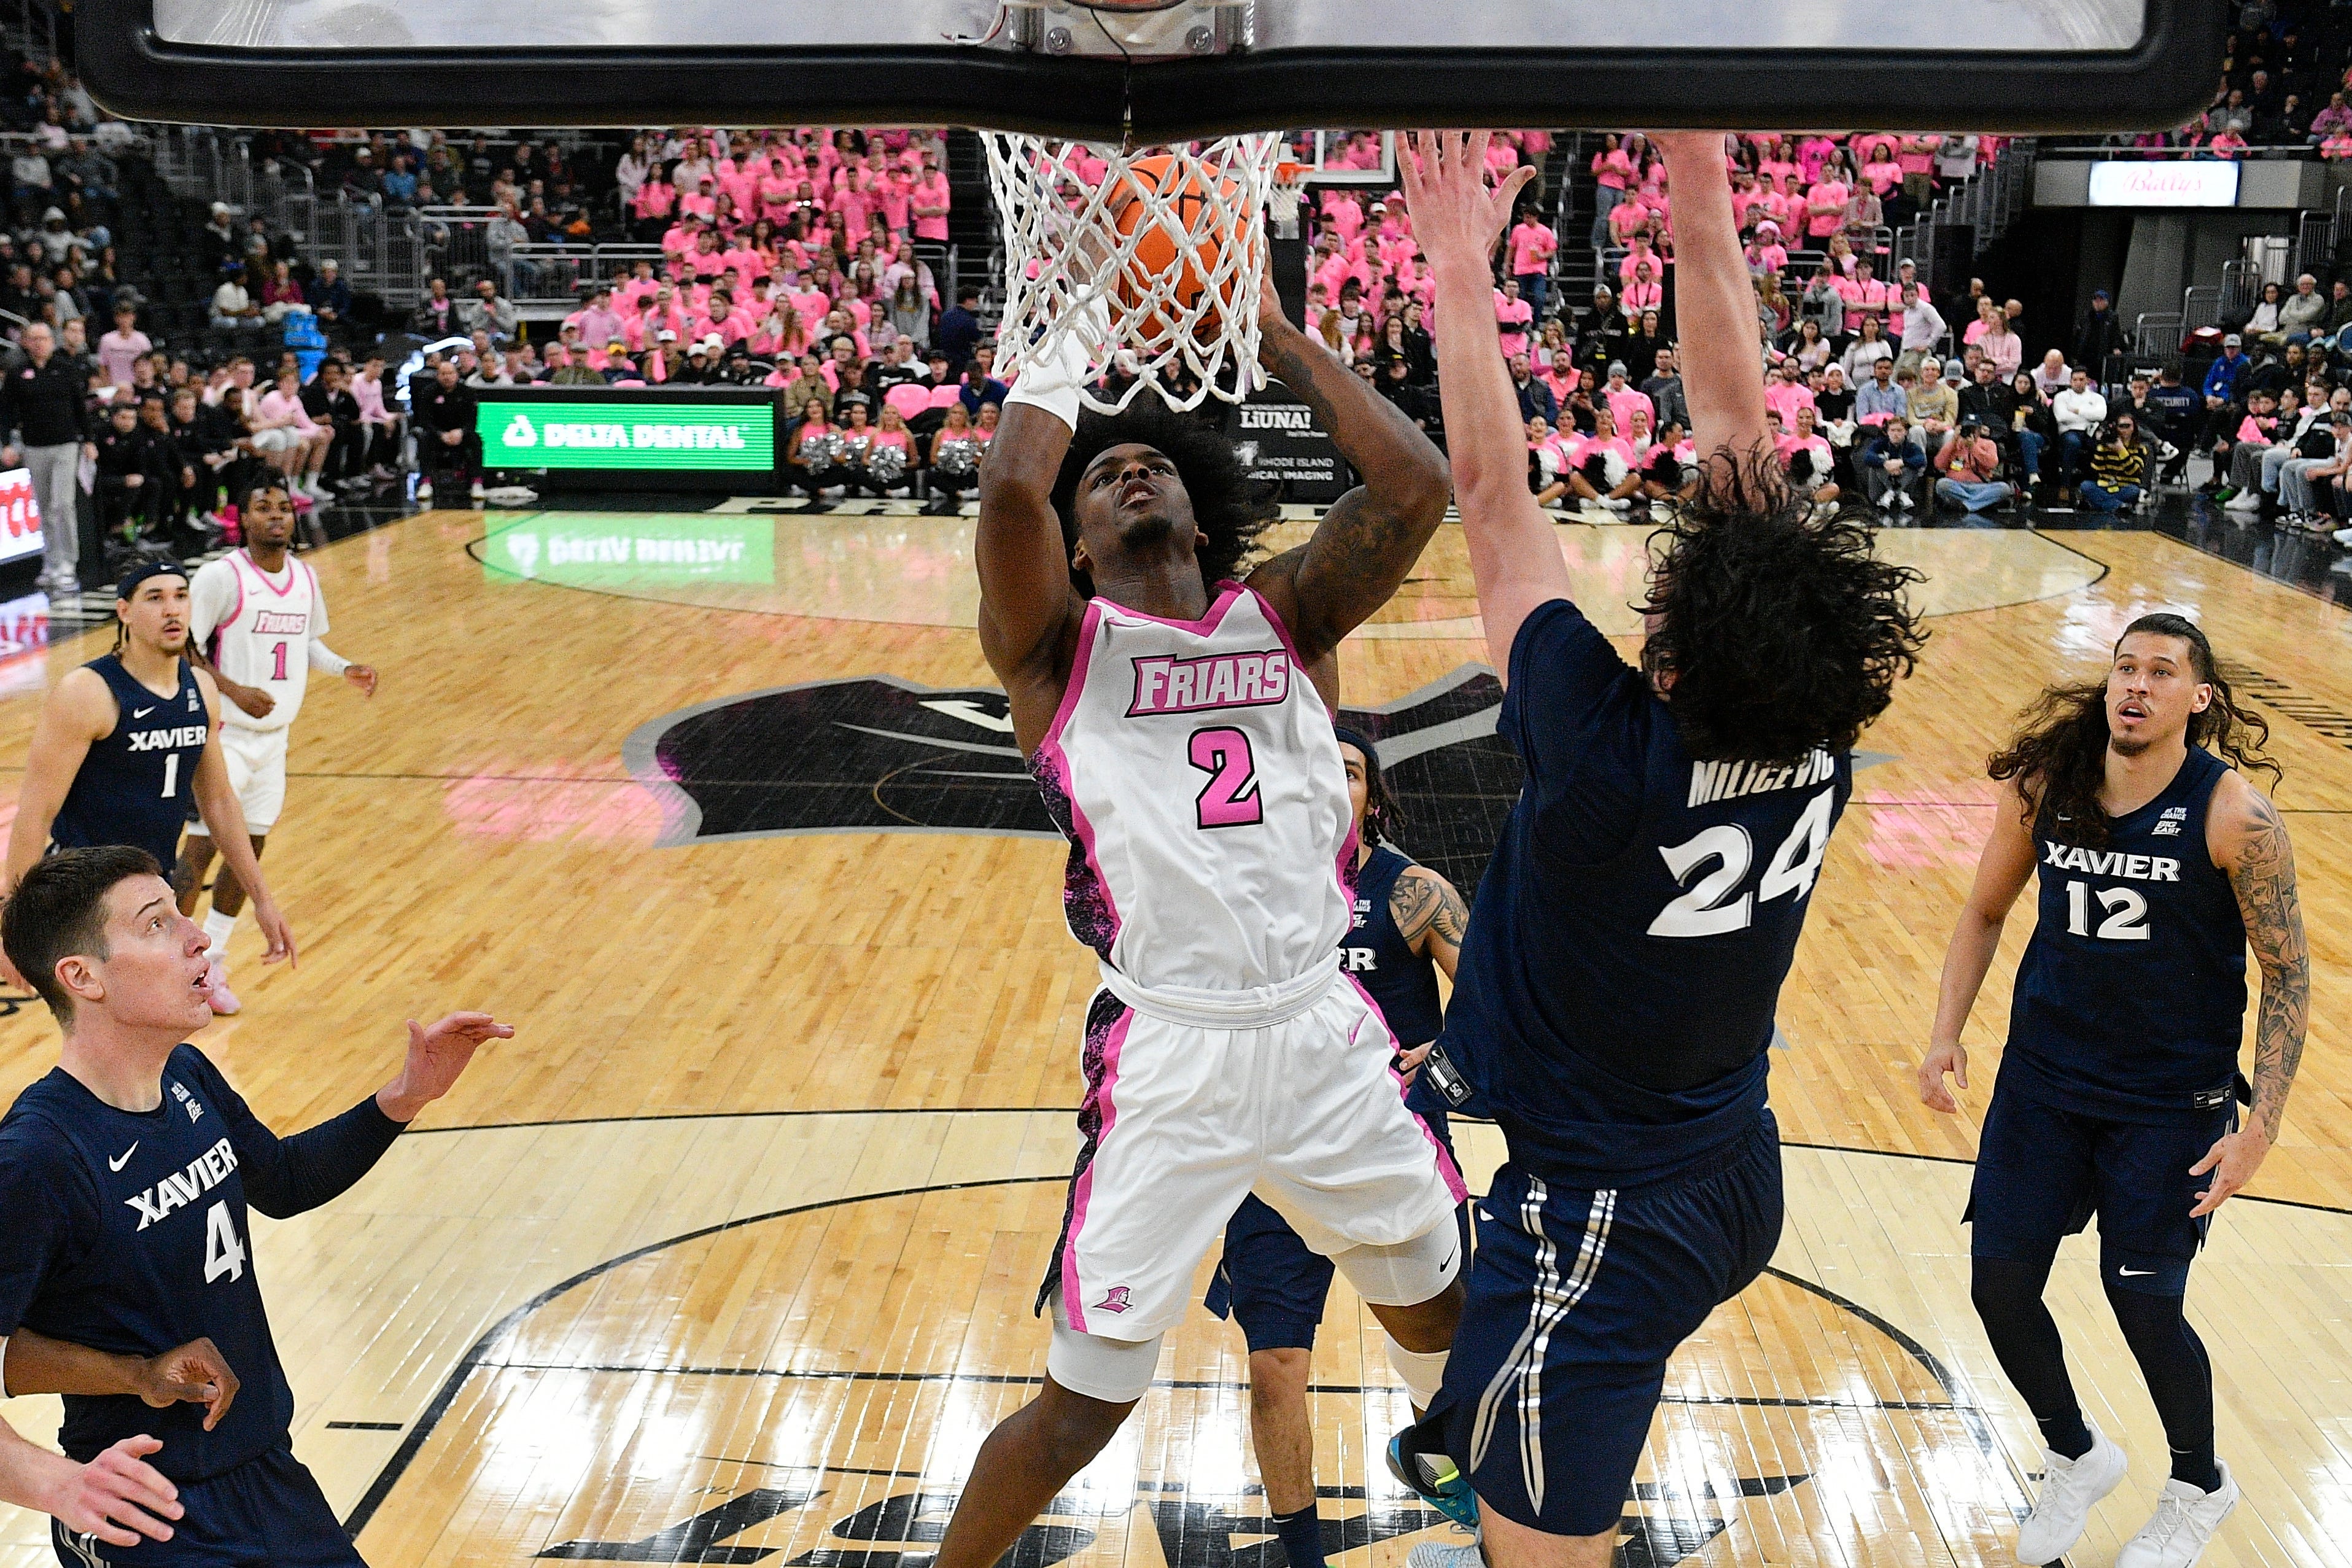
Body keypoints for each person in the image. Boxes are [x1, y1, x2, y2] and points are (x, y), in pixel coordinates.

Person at [1394, 129, 1924, 1562]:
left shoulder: (1613, 762)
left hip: (1608, 1210)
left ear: (1677, 648)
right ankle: (1474, 1430)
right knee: (1489, 1443)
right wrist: (1695, 170)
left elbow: (1505, 505)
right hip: (1725, 1157)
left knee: (1535, 1544)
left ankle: (1498, 1468)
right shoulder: (1814, 729)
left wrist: (1456, 264)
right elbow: (1735, 420)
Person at [933, 228, 1463, 1568]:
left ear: (1201, 505)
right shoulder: (1056, 653)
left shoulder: (1284, 615)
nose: (1127, 470)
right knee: (1079, 1407)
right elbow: (1007, 500)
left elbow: (1413, 483)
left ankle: (1460, 1486)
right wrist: (1065, 331)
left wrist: (1275, 331)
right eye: (1102, 474)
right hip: (1167, 1050)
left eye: (1151, 459)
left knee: (1443, 1304)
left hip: (1321, 1025)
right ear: (1075, 539)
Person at [0, 843, 511, 1568]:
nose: (197, 935)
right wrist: (58, 1485)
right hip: (148, 1511)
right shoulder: (38, 1157)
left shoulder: (185, 1072)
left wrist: (403, 1099)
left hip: (268, 1478)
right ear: (83, 978)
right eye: (155, 925)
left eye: (181, 913)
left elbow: (282, 1180)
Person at [1920, 615, 2305, 1568]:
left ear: (2197, 698)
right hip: (2042, 1082)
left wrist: (2257, 1128)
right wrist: (1941, 1035)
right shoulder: (2048, 784)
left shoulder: (2232, 816)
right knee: (1998, 1286)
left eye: (2160, 672)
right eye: (2123, 668)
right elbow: (1980, 910)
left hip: (2164, 1101)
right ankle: (2074, 1452)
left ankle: (2197, 1482)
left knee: (2140, 1301)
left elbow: (2287, 974)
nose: (2134, 685)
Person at [1203, 731, 1472, 1568]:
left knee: (1446, 1343)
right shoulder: (1249, 888)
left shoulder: (1411, 892)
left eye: (1350, 771)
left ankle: (1457, 1479)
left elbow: (1495, 998)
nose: (1331, 780)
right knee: (1273, 1366)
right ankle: (1300, 1556)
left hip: (1390, 1145)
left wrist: (1438, 1052)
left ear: (1372, 799)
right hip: (1272, 1155)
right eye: (1317, 769)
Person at [2, 561, 294, 980]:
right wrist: (9, 926)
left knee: (159, 1027)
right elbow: (35, 813)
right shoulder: (88, 691)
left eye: (180, 596)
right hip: (86, 895)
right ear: (124, 611)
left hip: (154, 887)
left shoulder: (200, 687)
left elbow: (218, 801)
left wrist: (263, 899)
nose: (172, 609)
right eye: (155, 599)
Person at [174, 483, 375, 1015]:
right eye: (263, 508)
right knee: (200, 848)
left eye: (283, 508)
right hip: (223, 738)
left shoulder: (306, 576)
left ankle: (212, 960)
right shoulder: (222, 576)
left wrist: (343, 667)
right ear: (242, 517)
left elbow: (306, 642)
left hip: (276, 740)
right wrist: (232, 689)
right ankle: (167, 965)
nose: (277, 517)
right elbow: (185, 646)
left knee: (251, 850)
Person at [2, 321, 95, 596]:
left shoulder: (65, 369)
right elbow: (6, 410)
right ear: (27, 343)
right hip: (34, 447)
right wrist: (6, 443)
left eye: (44, 338)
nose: (40, 343)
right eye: (34, 339)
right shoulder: (18, 374)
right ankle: (50, 561)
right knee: (43, 506)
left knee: (62, 504)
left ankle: (68, 562)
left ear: (51, 342)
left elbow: (80, 406)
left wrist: (88, 439)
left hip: (65, 444)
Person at [1935, 420, 2014, 513]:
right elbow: (1939, 465)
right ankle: (1980, 503)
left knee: (2004, 488)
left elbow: (1992, 464)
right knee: (1942, 484)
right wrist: (1953, 441)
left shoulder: (1988, 443)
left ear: (1979, 430)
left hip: (1981, 488)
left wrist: (1973, 447)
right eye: (1967, 429)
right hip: (1957, 487)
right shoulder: (1954, 444)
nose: (1970, 432)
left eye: (1974, 429)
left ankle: (1967, 505)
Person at [1857, 414, 1928, 511]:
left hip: (1905, 491)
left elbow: (1921, 460)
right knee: (1878, 460)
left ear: (1906, 432)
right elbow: (1867, 457)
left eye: (1899, 431)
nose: (1895, 434)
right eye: (1892, 430)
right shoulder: (1881, 443)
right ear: (1887, 432)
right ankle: (1893, 492)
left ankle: (1894, 493)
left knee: (1913, 464)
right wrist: (1886, 464)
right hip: (1881, 494)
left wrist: (1901, 463)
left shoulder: (1911, 447)